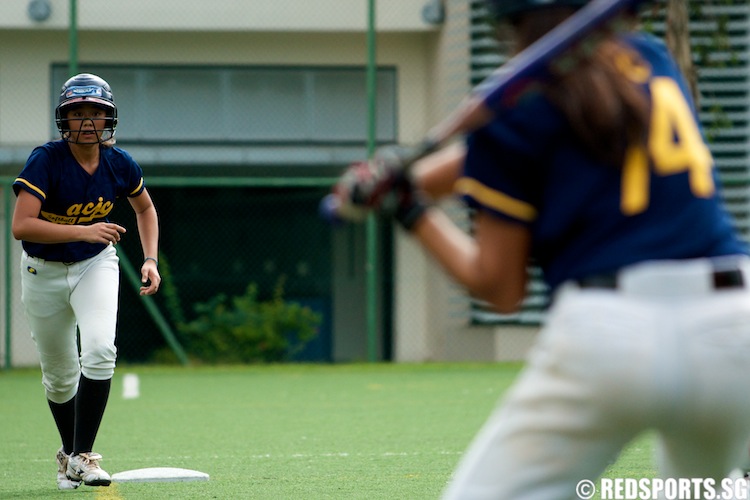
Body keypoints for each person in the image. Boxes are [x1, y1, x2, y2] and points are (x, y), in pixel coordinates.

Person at [330, 0, 750, 498]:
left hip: (610, 336)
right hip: (730, 330)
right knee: (702, 490)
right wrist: (406, 181)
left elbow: (500, 288)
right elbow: (508, 155)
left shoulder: (509, 114)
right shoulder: (649, 60)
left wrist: (409, 210)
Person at [11, 73, 161, 490]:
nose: (88, 121)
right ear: (65, 119)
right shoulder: (46, 159)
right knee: (60, 376)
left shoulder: (120, 163)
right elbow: (22, 226)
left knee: (99, 350)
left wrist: (150, 259)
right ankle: (68, 456)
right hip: (42, 270)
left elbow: (145, 209)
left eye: (96, 112)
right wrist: (85, 229)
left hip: (95, 264)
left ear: (109, 118)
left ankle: (83, 456)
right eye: (78, 112)